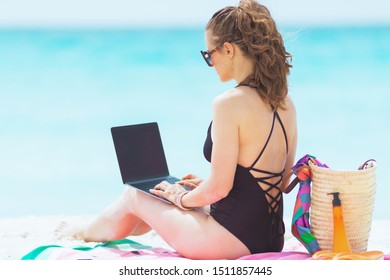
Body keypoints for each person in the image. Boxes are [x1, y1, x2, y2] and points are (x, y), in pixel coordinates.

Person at [66, 0, 297, 260]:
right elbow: (281, 180)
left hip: (226, 241)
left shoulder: (229, 103)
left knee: (134, 195)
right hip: (270, 239)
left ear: (229, 50)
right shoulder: (285, 102)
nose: (210, 61)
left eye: (209, 54)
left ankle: (80, 233)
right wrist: (200, 189)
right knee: (157, 197)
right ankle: (102, 227)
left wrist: (180, 198)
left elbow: (218, 190)